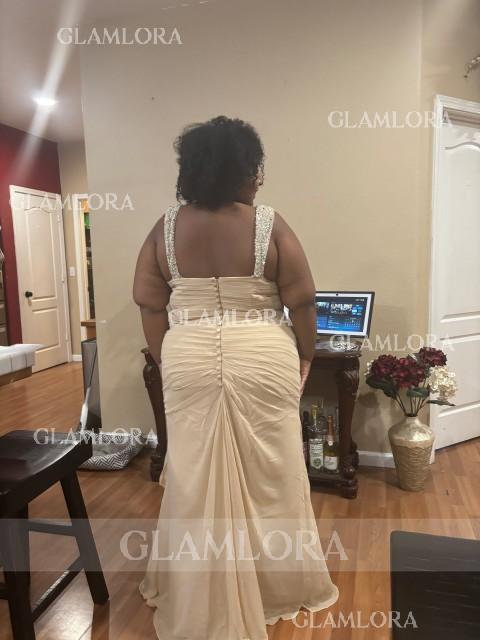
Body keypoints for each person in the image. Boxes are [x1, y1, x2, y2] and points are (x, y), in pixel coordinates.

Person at [133, 115, 338, 640]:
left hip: (188, 353)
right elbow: (303, 300)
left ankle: (197, 590)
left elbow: (149, 303)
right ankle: (276, 587)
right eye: (255, 168)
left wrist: (166, 358)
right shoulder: (270, 223)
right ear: (244, 169)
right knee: (272, 472)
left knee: (192, 474)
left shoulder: (165, 228)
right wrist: (307, 356)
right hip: (262, 353)